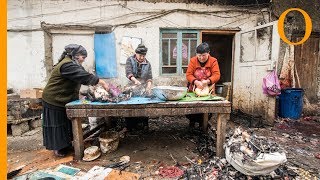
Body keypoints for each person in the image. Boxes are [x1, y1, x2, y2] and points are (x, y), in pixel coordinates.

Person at [42, 44, 110, 157]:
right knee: (58, 124)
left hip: (63, 99)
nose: (84, 60)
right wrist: (102, 82)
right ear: (76, 56)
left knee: (66, 123)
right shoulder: (67, 65)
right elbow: (83, 76)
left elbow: (84, 77)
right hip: (54, 99)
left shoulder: (73, 64)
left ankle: (66, 144)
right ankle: (58, 148)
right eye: (83, 57)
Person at [185, 42, 221, 128]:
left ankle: (203, 125)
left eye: (204, 55)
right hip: (194, 88)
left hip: (208, 89)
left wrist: (207, 81)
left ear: (208, 53)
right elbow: (188, 74)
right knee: (192, 109)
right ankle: (192, 123)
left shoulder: (213, 61)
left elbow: (217, 75)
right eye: (199, 55)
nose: (201, 58)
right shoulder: (193, 60)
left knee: (206, 109)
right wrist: (196, 82)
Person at [124, 44, 152, 130]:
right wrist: (135, 80)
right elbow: (128, 72)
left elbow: (149, 77)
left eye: (143, 56)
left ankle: (144, 126)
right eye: (140, 55)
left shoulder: (147, 64)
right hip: (131, 87)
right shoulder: (130, 60)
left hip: (142, 88)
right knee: (130, 106)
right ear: (136, 53)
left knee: (143, 106)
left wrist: (149, 86)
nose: (142, 57)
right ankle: (130, 127)